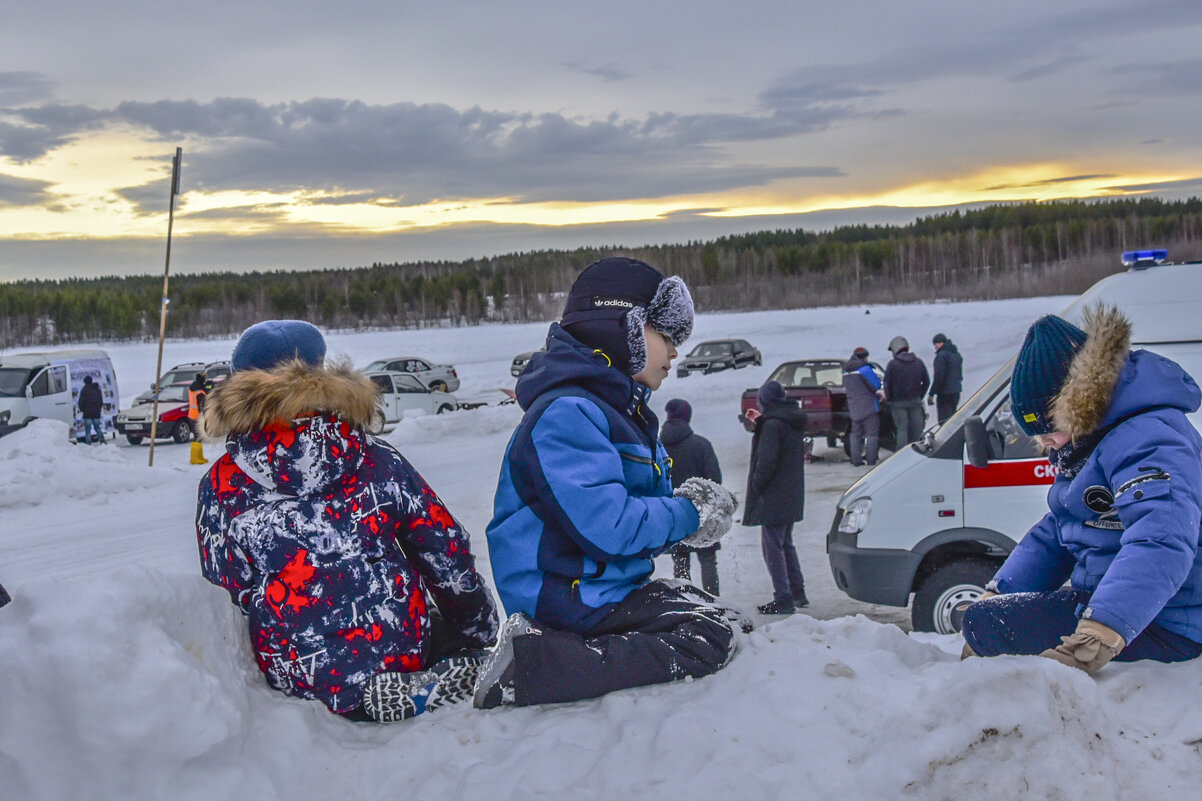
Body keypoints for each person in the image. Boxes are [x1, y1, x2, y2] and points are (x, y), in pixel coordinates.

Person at [195, 319, 499, 721]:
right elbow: (444, 550)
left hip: (297, 669)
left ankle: (347, 687)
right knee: (439, 621)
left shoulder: (220, 486)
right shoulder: (376, 458)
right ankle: (439, 666)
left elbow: (226, 591)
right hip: (397, 643)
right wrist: (479, 631)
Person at [478, 257, 741, 710]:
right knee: (706, 636)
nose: (675, 352)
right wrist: (687, 512)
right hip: (564, 597)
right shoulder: (568, 413)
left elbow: (631, 519)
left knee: (723, 615)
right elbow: (610, 527)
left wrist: (683, 516)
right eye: (665, 336)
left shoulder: (618, 412)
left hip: (601, 589)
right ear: (624, 329)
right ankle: (536, 663)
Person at [961, 306, 1202, 673]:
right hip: (1127, 609)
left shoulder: (1149, 437)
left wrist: (1101, 631)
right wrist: (1001, 591)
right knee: (987, 617)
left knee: (990, 625)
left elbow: (1161, 539)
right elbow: (1060, 530)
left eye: (1050, 431)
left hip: (1173, 622)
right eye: (1040, 439)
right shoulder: (1090, 443)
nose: (1048, 445)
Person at [744, 380, 808, 614]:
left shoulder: (773, 424)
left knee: (772, 547)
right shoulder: (788, 418)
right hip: (790, 492)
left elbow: (767, 461)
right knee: (785, 543)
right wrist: (760, 421)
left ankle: (783, 597)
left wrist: (755, 486)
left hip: (774, 494)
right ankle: (797, 592)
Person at [662, 398, 724, 596]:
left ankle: (686, 602)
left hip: (672, 513)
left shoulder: (658, 447)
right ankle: (713, 601)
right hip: (702, 513)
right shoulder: (701, 445)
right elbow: (715, 479)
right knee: (707, 560)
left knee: (680, 561)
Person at [883, 336, 930, 447]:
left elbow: (887, 384)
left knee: (902, 430)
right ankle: (918, 454)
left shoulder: (892, 364)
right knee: (917, 430)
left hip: (898, 403)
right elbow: (926, 381)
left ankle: (901, 456)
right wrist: (920, 396)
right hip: (915, 402)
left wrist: (890, 399)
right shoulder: (918, 362)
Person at [843, 346, 884, 466]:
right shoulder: (865, 370)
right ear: (865, 357)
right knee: (872, 435)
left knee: (855, 435)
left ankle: (855, 461)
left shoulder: (846, 372)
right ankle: (871, 461)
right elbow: (876, 385)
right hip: (869, 407)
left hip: (854, 408)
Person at [927, 332, 963, 424]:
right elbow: (960, 375)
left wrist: (931, 394)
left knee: (944, 422)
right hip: (956, 391)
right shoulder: (956, 355)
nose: (935, 347)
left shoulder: (941, 356)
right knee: (953, 419)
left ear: (940, 343)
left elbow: (939, 377)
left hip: (945, 394)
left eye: (935, 345)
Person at [188, 372, 209, 464]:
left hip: (191, 415)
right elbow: (202, 406)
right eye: (205, 378)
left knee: (197, 436)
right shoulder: (200, 392)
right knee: (198, 437)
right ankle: (195, 458)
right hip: (197, 416)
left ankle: (199, 457)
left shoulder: (193, 387)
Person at [77, 375, 104, 445]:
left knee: (88, 431)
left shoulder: (84, 390)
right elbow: (100, 401)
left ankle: (88, 444)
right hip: (96, 413)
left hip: (87, 413)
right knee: (97, 428)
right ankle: (102, 441)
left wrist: (82, 409)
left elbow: (81, 402)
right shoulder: (97, 389)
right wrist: (98, 409)